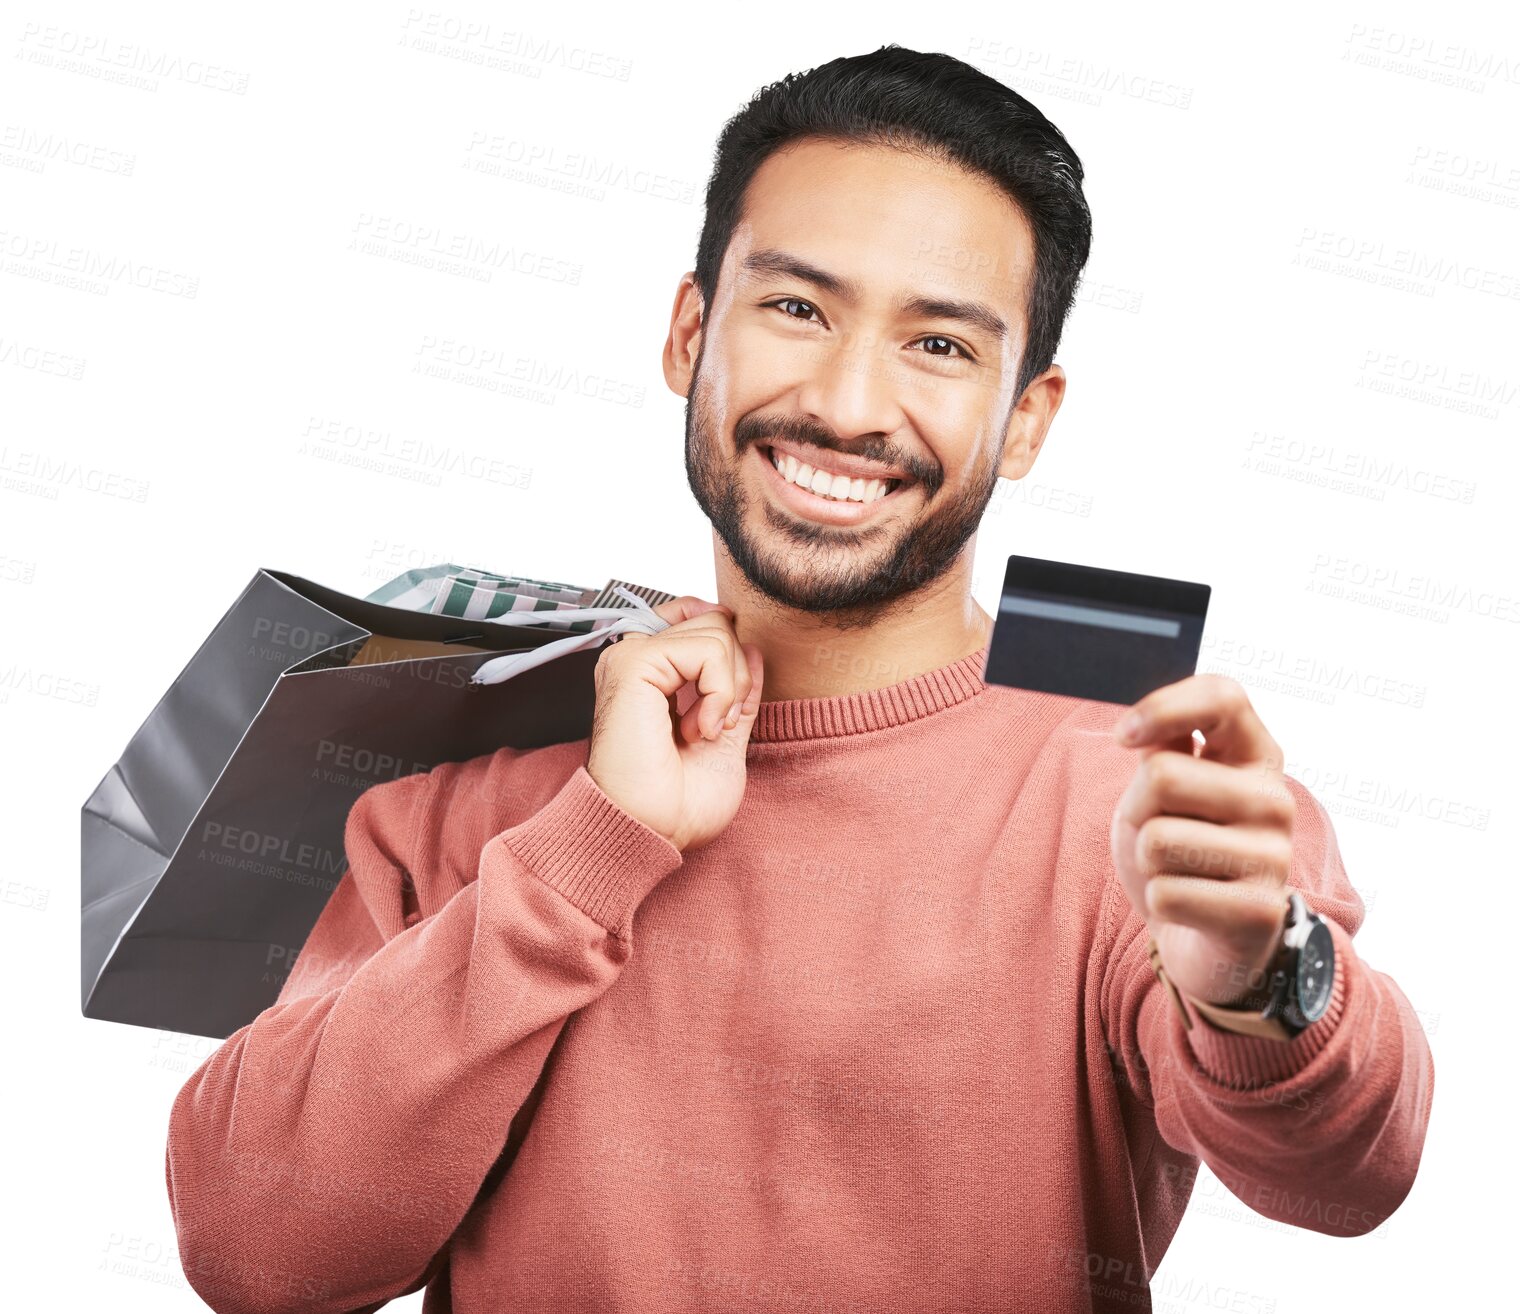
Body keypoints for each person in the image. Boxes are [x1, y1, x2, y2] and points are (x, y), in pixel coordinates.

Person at [165, 44, 1434, 1313]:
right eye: (796, 309)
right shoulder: (472, 783)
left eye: (938, 344)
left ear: (1027, 418)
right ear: (686, 331)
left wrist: (1258, 979)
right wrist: (586, 853)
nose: (844, 403)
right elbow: (256, 1255)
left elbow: (1347, 1180)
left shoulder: (1144, 791)